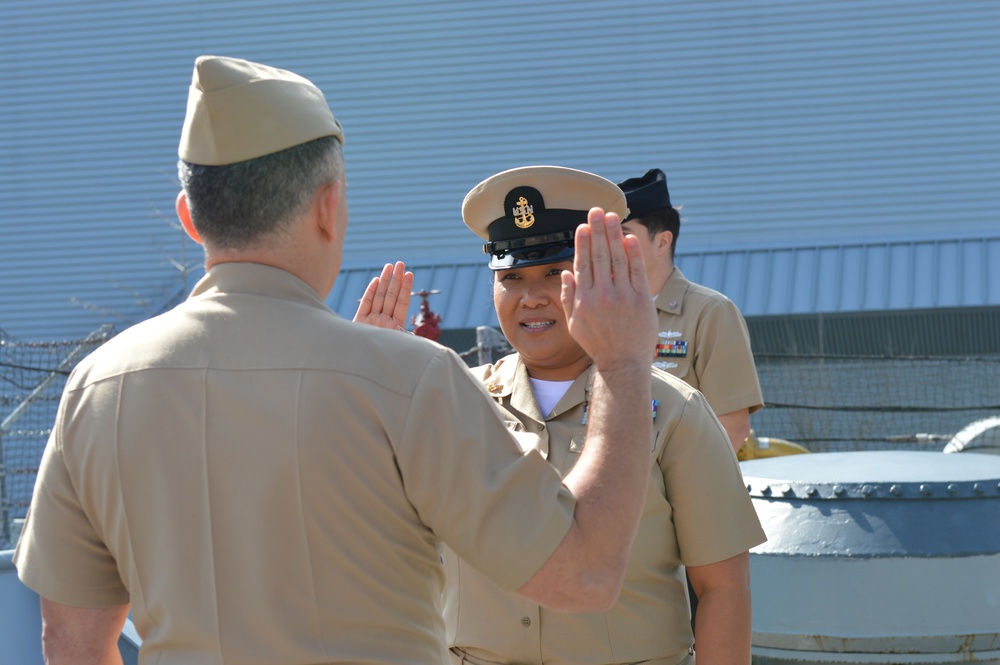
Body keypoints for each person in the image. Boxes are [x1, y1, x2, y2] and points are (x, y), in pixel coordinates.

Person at [12, 56, 660, 665]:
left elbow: (70, 638)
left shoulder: (99, 385)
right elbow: (583, 572)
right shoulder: (408, 378)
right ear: (328, 206)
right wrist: (623, 365)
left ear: (190, 217)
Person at [436, 165, 766, 665]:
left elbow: (723, 587)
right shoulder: (452, 400)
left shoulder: (673, 411)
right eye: (512, 278)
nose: (531, 298)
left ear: (600, 278)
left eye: (554, 272)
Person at [617, 168, 764, 453]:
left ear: (662, 241)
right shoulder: (599, 314)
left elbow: (732, 427)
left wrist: (678, 495)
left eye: (623, 234)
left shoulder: (710, 313)